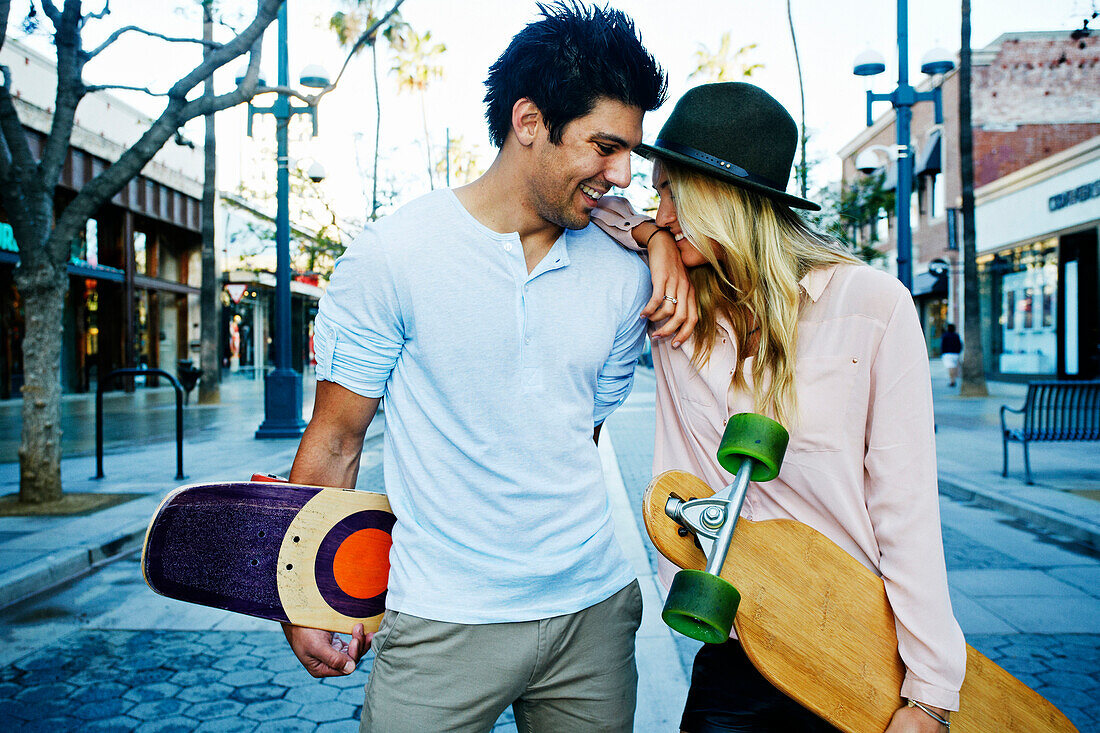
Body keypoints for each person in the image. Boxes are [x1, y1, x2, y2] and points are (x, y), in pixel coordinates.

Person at [280, 4, 695, 731]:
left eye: (630, 151)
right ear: (529, 120)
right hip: (441, 620)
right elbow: (337, 441)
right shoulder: (396, 254)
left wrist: (654, 235)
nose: (623, 173)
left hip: (591, 617)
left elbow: (582, 429)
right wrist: (302, 597)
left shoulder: (625, 273)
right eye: (604, 145)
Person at [592, 82, 966, 732]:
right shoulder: (682, 313)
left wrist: (930, 693)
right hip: (739, 656)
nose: (662, 207)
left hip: (860, 658)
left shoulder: (872, 307)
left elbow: (906, 512)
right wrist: (653, 235)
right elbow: (603, 205)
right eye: (658, 192)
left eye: (673, 191)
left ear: (726, 200)